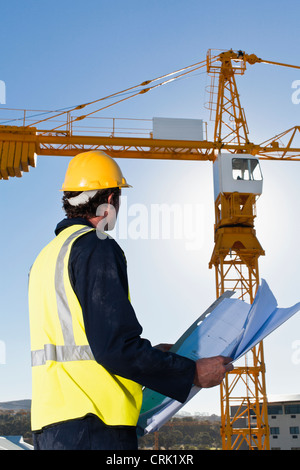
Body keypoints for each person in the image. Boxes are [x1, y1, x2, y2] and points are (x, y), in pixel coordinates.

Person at [28, 150, 233, 450]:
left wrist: (159, 354)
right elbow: (114, 348)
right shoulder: (96, 246)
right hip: (96, 425)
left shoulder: (46, 258)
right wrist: (192, 373)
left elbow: (82, 341)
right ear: (110, 201)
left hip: (51, 429)